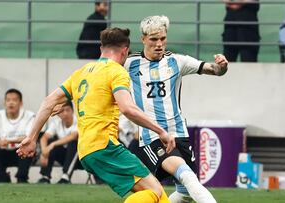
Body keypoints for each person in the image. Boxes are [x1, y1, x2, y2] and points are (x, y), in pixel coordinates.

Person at [17, 27, 175, 203]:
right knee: (156, 191)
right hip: (105, 146)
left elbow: (48, 102)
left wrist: (31, 138)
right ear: (124, 51)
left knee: (157, 195)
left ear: (101, 48)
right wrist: (160, 131)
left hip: (85, 151)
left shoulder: (81, 72)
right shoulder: (116, 71)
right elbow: (127, 108)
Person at [124, 15, 228, 203]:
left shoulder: (177, 61)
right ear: (143, 39)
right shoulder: (129, 64)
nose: (159, 44)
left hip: (179, 132)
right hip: (153, 136)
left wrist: (222, 66)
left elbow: (214, 70)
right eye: (153, 39)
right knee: (188, 177)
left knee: (185, 192)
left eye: (162, 39)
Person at [0, 89, 35, 183]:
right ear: (4, 103)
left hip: (21, 153)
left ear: (20, 103)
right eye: (8, 100)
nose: (11, 103)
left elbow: (30, 138)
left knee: (29, 146)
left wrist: (9, 141)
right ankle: (2, 176)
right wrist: (0, 142)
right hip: (3, 152)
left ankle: (22, 177)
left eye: (14, 100)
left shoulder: (30, 116)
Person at [37, 101, 81, 184]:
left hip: (79, 159)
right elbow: (44, 138)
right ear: (58, 113)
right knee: (50, 142)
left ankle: (65, 176)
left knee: (73, 143)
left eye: (67, 110)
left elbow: (73, 136)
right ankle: (45, 176)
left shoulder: (79, 121)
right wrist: (44, 152)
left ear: (72, 111)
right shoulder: (56, 122)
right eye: (62, 111)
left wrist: (53, 145)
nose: (65, 113)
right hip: (64, 157)